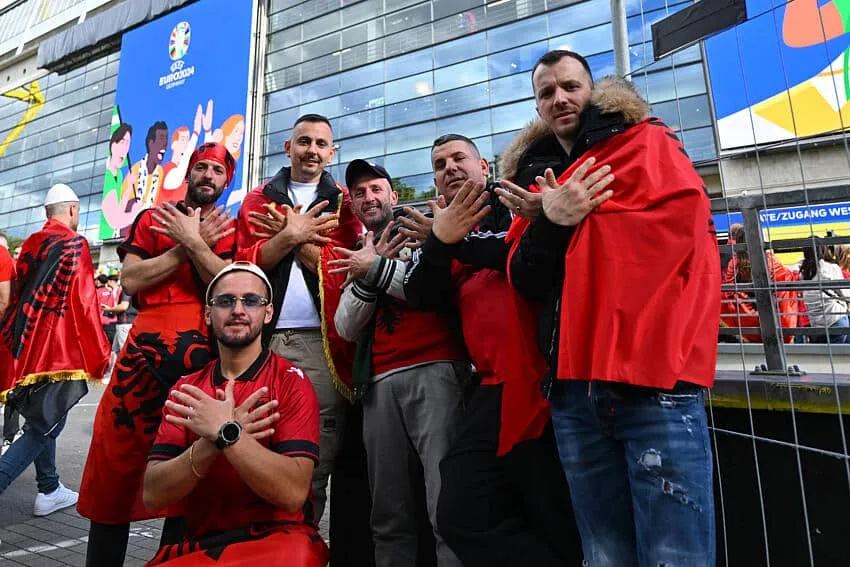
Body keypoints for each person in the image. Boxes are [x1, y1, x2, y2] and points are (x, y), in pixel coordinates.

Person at [504, 50, 720, 566]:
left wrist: (576, 214)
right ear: (537, 107)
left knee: (676, 556)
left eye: (570, 86)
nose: (560, 98)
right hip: (574, 392)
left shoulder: (647, 143)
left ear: (593, 91)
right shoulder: (536, 180)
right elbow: (524, 278)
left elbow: (682, 235)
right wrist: (554, 220)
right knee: (603, 555)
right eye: (547, 92)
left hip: (654, 383)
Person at [396, 134, 582, 567]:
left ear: (484, 167)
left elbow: (521, 251)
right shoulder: (439, 226)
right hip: (491, 387)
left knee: (551, 513)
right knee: (459, 512)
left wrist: (450, 240)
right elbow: (419, 291)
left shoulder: (514, 197)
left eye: (458, 158)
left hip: (545, 380)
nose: (449, 167)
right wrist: (438, 242)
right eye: (439, 164)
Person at [79, 142, 238, 566]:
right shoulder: (152, 218)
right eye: (201, 167)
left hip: (201, 368)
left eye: (217, 171)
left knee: (190, 474)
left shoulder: (228, 227)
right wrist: (185, 245)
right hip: (139, 365)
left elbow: (227, 285)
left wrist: (196, 242)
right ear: (188, 173)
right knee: (116, 466)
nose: (208, 176)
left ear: (226, 181)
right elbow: (131, 280)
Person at [143, 262, 327, 566]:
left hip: (278, 541)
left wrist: (229, 435)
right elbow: (153, 495)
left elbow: (293, 494)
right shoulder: (187, 388)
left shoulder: (292, 381)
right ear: (208, 313)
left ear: (268, 313)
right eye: (225, 301)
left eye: (251, 300)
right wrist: (213, 442)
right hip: (203, 544)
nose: (238, 310)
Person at [331, 160, 467, 567]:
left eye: (376, 189)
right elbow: (345, 326)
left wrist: (374, 269)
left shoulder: (427, 230)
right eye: (359, 193)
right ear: (354, 206)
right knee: (388, 513)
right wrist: (369, 270)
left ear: (393, 195)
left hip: (437, 369)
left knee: (447, 504)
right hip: (378, 384)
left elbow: (430, 291)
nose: (368, 197)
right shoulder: (357, 251)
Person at [235, 113, 362, 529]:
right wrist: (293, 235)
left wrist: (292, 236)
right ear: (287, 147)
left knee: (314, 458)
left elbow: (346, 267)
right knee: (252, 447)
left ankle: (299, 543)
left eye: (321, 144)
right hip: (261, 343)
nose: (312, 150)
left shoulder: (345, 202)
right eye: (304, 141)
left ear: (332, 152)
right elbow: (244, 265)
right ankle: (257, 547)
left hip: (321, 344)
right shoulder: (257, 200)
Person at [0, 183, 110, 515]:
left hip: (25, 346)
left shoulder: (30, 245)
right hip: (59, 350)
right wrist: (99, 350)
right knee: (45, 424)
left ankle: (48, 487)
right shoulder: (75, 244)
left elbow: (15, 297)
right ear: (73, 210)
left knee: (43, 416)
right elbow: (85, 301)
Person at [799, 237, 850, 344]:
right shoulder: (830, 268)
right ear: (824, 249)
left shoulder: (804, 271)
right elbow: (846, 294)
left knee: (826, 354)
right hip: (835, 319)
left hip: (816, 325)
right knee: (842, 353)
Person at [0, 233, 18, 456]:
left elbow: (4, 302)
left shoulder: (5, 260)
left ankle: (10, 436)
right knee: (10, 386)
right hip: (10, 332)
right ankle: (10, 437)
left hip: (8, 332)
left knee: (11, 386)